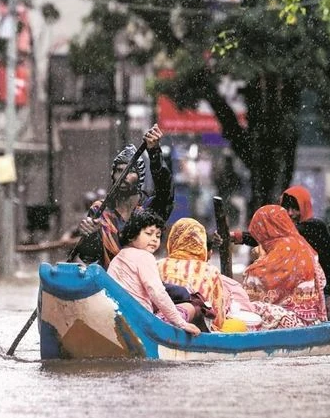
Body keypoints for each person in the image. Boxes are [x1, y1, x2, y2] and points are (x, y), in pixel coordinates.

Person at [229, 185, 330, 321]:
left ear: (304, 208)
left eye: (295, 208)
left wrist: (241, 236)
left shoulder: (314, 227)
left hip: (323, 290)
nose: (290, 213)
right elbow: (269, 235)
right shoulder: (285, 237)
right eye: (286, 209)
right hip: (295, 288)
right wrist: (237, 237)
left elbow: (270, 234)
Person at [74, 124, 175, 268]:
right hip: (109, 283)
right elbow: (88, 258)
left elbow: (166, 191)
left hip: (141, 282)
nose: (123, 176)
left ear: (140, 177)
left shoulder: (149, 210)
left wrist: (154, 152)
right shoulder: (100, 210)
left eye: (129, 171)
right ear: (112, 175)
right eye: (119, 171)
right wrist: (90, 236)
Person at [107, 209, 201, 336]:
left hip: (117, 316)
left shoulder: (118, 257)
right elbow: (157, 291)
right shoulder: (145, 256)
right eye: (149, 233)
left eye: (157, 235)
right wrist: (181, 323)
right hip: (141, 321)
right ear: (131, 235)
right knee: (189, 307)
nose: (154, 239)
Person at [242, 205, 328, 329]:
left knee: (246, 307)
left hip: (293, 321)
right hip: (313, 320)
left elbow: (257, 282)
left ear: (266, 230)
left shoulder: (283, 250)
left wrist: (255, 264)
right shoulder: (301, 244)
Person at [157, 218, 230, 330]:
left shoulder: (158, 265)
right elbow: (218, 320)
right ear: (201, 242)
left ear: (172, 239)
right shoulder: (210, 271)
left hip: (160, 326)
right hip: (198, 333)